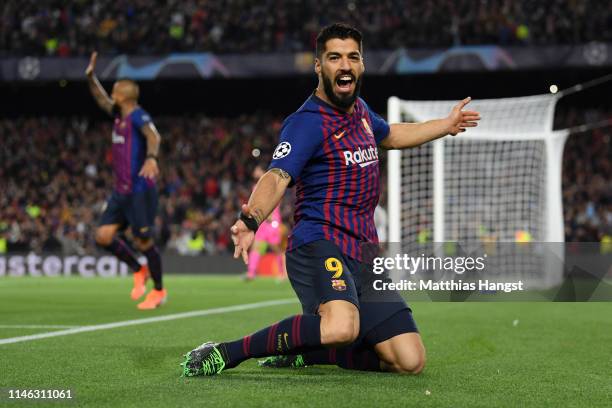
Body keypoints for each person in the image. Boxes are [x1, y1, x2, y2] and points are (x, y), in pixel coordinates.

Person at [181, 23, 480, 376]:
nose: (345, 65)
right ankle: (227, 352)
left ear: (362, 65)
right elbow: (277, 175)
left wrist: (443, 126)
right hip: (319, 243)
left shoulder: (361, 112)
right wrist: (251, 220)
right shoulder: (306, 123)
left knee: (409, 360)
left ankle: (306, 352)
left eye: (353, 57)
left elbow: (393, 134)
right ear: (319, 66)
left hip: (365, 251)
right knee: (341, 327)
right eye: (334, 57)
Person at [86, 52, 167, 310]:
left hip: (139, 191)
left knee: (144, 241)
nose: (110, 94)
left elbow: (153, 136)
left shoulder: (138, 116)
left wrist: (152, 158)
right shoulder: (119, 116)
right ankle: (138, 269)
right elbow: (100, 99)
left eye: (114, 91)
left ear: (123, 96)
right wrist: (90, 78)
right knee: (102, 236)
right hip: (120, 192)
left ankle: (159, 291)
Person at [245, 165, 285, 281]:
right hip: (261, 222)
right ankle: (251, 273)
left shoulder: (272, 184)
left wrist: (271, 215)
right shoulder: (255, 186)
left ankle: (282, 273)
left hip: (272, 222)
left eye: (257, 169)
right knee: (256, 247)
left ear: (263, 171)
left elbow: (275, 200)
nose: (254, 172)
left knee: (276, 248)